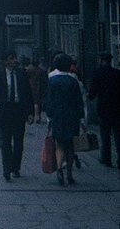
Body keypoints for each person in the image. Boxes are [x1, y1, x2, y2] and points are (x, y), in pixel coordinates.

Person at [0, 50, 35, 181]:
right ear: (5, 61)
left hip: (19, 110)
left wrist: (31, 113)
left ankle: (16, 167)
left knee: (18, 141)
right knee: (5, 142)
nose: (14, 61)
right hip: (6, 111)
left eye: (14, 58)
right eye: (11, 58)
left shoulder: (22, 75)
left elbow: (28, 95)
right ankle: (6, 169)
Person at [45, 53, 85, 186]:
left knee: (60, 145)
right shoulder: (73, 81)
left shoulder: (52, 81)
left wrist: (49, 115)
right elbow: (79, 101)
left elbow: (48, 101)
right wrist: (81, 117)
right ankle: (69, 173)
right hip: (71, 116)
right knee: (70, 146)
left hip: (58, 117)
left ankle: (59, 169)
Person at [87, 52, 120, 169]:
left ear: (101, 61)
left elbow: (93, 92)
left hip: (103, 108)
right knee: (118, 134)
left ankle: (106, 159)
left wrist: (89, 96)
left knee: (105, 135)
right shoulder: (117, 73)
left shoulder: (97, 73)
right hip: (117, 107)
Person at [26, 58, 48, 123]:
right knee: (38, 102)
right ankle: (38, 116)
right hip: (40, 88)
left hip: (31, 87)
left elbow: (26, 79)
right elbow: (45, 81)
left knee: (34, 102)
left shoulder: (29, 70)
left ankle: (35, 115)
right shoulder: (41, 71)